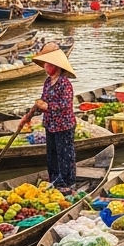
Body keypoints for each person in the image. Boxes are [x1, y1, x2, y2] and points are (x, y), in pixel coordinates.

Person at [34, 46, 78, 189]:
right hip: (50, 124)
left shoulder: (65, 83)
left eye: (50, 64)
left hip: (63, 125)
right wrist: (37, 108)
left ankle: (68, 183)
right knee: (52, 155)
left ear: (57, 67)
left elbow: (65, 104)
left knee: (65, 155)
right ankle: (54, 180)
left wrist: (48, 106)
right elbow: (44, 99)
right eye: (46, 64)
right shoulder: (48, 82)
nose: (46, 67)